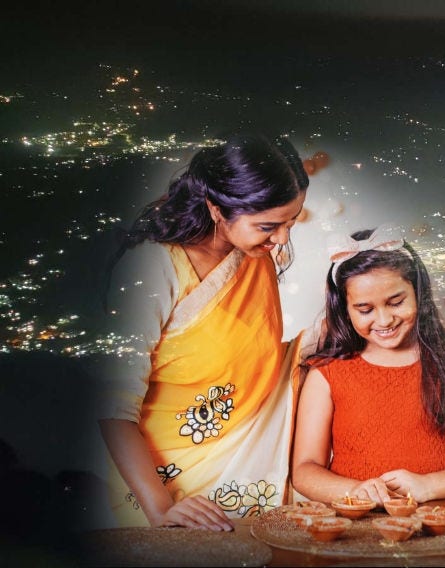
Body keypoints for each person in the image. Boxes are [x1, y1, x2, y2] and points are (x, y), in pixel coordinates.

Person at [99, 133, 310, 530]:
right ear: (216, 209)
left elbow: (253, 358)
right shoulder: (152, 268)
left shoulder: (252, 254)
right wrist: (160, 509)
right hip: (167, 482)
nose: (282, 238)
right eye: (269, 225)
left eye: (291, 222)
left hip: (243, 469)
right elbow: (112, 407)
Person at [292, 228, 445, 505]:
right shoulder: (326, 373)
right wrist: (357, 492)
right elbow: (305, 470)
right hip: (352, 525)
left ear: (418, 293)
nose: (384, 320)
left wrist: (426, 486)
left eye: (396, 302)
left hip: (435, 521)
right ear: (345, 309)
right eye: (365, 310)